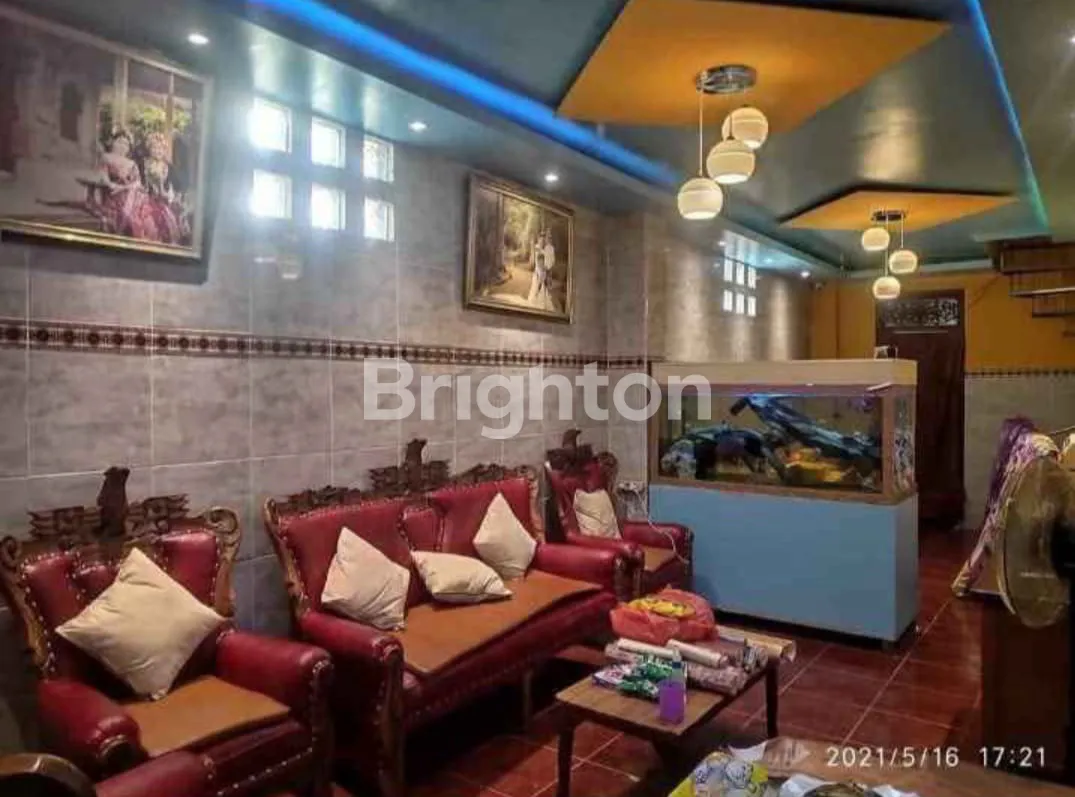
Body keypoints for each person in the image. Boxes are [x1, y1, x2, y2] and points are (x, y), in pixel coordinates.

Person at [526, 229, 557, 311]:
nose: (542, 240)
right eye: (540, 238)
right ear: (538, 238)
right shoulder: (536, 247)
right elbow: (533, 260)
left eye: (543, 239)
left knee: (543, 288)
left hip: (544, 272)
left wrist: (546, 268)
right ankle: (533, 302)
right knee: (535, 287)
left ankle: (542, 305)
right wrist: (533, 249)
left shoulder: (548, 248)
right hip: (537, 272)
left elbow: (550, 261)